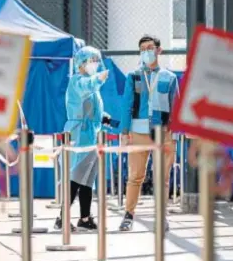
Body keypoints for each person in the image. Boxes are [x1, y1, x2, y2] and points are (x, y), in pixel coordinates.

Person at [119, 34, 179, 232]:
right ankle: (129, 214)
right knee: (135, 176)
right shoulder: (134, 76)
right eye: (143, 49)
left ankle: (162, 216)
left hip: (163, 132)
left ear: (159, 50)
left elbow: (176, 106)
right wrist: (124, 132)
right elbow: (127, 105)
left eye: (150, 47)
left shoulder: (169, 78)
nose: (146, 52)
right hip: (138, 131)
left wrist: (174, 132)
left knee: (162, 177)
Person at [54, 46, 110, 231]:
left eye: (96, 61)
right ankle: (63, 217)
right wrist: (99, 79)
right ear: (81, 63)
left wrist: (103, 117)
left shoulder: (89, 82)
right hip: (79, 134)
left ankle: (84, 218)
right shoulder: (78, 81)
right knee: (76, 177)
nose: (95, 64)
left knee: (87, 179)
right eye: (91, 61)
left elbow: (90, 107)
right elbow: (87, 88)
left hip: (92, 133)